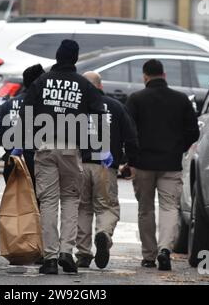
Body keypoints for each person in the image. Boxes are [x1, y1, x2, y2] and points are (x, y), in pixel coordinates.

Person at [15, 40, 107, 275]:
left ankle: (50, 258)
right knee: (70, 199)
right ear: (75, 59)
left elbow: (26, 111)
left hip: (45, 146)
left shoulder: (41, 81)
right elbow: (99, 113)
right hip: (72, 148)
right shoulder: (84, 84)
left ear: (57, 56)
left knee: (47, 201)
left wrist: (22, 144)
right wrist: (99, 147)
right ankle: (67, 252)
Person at [125, 59, 200, 271]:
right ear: (164, 75)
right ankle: (165, 249)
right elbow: (193, 131)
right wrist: (178, 148)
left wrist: (130, 158)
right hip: (171, 163)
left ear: (145, 76)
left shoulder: (136, 99)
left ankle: (148, 255)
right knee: (169, 207)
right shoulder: (181, 99)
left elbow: (129, 132)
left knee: (145, 209)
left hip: (143, 163)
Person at [76, 72, 139, 269]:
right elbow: (131, 137)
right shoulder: (116, 107)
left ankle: (83, 253)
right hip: (106, 167)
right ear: (100, 86)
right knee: (107, 207)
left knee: (82, 208)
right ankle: (103, 234)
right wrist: (131, 161)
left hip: (80, 164)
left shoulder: (77, 106)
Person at [0, 64, 45, 185]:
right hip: (39, 161)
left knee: (16, 201)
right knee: (39, 201)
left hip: (13, 161)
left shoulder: (8, 104)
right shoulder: (45, 106)